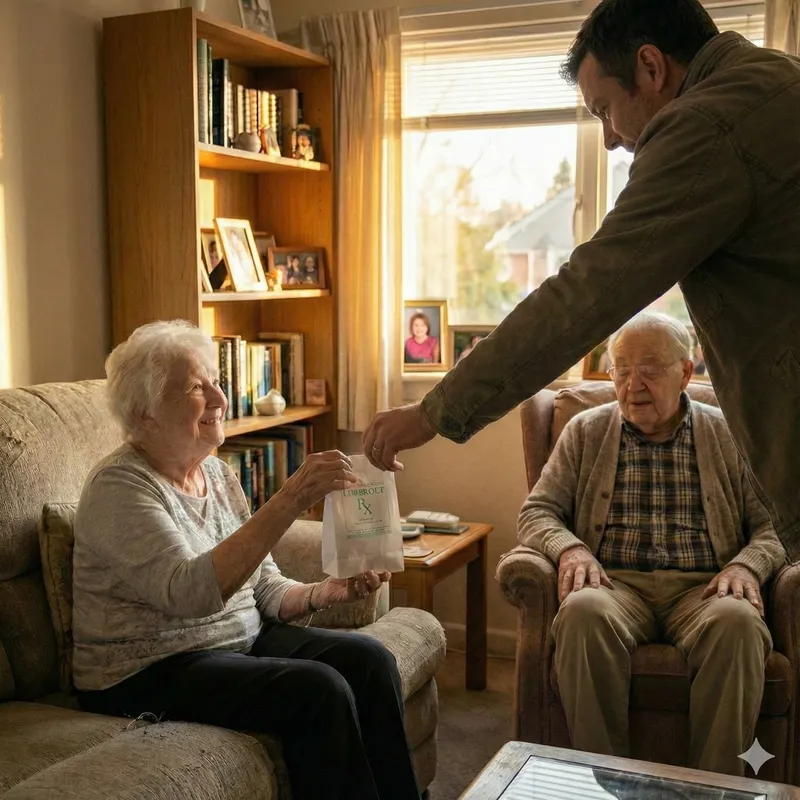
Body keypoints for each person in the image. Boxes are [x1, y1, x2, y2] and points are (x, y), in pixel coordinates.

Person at [362, 0, 800, 560]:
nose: (611, 139)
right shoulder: (778, 78)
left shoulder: (706, 125)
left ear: (651, 67)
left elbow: (587, 293)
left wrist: (434, 410)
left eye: (603, 110)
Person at [72, 320, 420, 800]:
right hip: (146, 669)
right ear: (146, 413)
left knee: (369, 659)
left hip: (234, 642)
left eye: (216, 380)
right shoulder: (119, 489)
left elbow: (264, 586)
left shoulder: (216, 473)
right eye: (198, 387)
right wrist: (290, 497)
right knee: (317, 689)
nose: (219, 397)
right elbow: (190, 593)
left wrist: (324, 593)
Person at [519, 312, 785, 775]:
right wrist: (571, 548)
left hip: (703, 589)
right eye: (621, 369)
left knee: (738, 624)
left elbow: (775, 525)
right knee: (582, 612)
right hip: (615, 585)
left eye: (650, 369)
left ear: (685, 372)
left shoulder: (729, 433)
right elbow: (536, 511)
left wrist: (746, 566)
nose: (632, 384)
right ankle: (605, 784)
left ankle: (713, 787)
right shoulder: (584, 431)